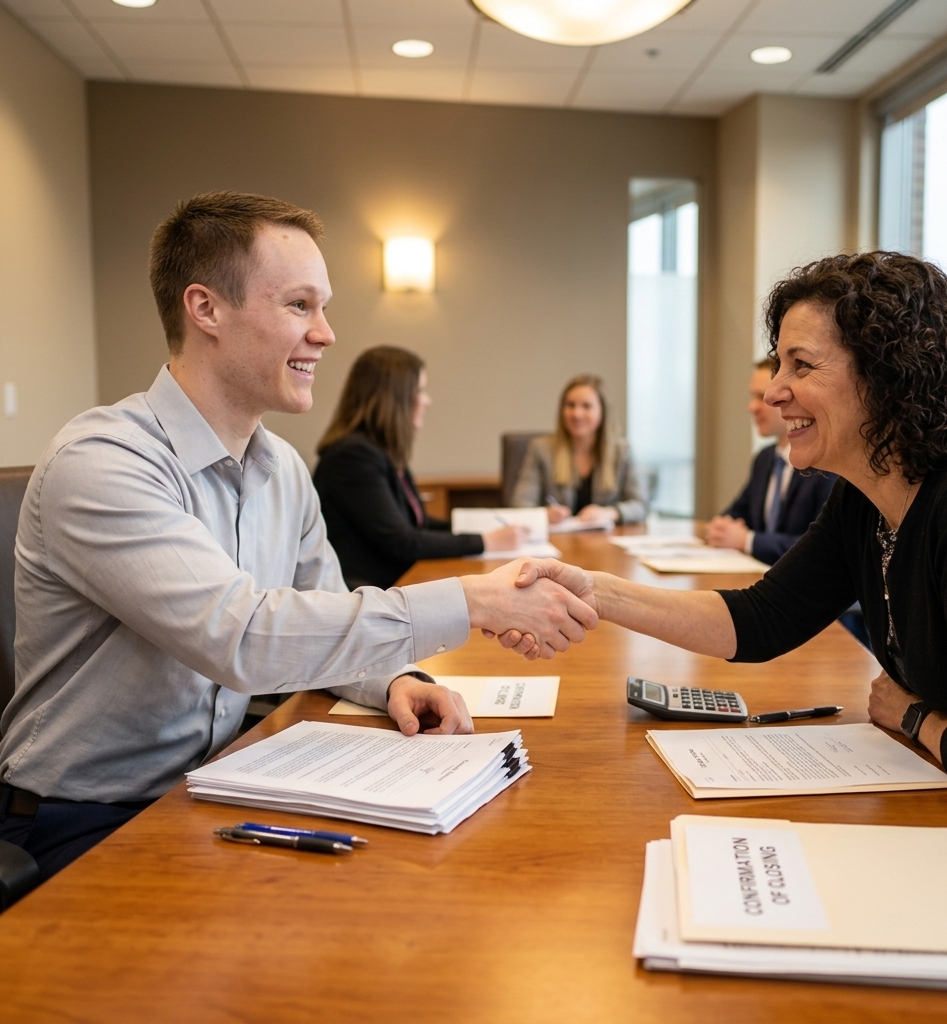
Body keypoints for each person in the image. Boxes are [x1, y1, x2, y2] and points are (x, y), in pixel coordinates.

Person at [0, 191, 596, 880]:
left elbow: (323, 612)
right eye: (299, 305)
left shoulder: (282, 467)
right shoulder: (103, 461)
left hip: (217, 785)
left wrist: (394, 679)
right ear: (205, 309)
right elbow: (242, 638)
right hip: (83, 818)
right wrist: (473, 601)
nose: (326, 334)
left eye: (323, 307)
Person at [507, 252, 947, 806]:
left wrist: (912, 716)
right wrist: (596, 592)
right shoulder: (864, 498)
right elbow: (762, 619)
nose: (775, 391)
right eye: (779, 365)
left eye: (800, 365)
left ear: (886, 373)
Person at [314, 347, 526, 590]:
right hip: (369, 592)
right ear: (395, 398)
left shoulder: (382, 451)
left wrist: (481, 528)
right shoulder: (352, 457)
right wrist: (484, 542)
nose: (427, 400)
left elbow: (419, 523)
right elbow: (402, 541)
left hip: (395, 583)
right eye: (421, 391)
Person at [705, 358, 835, 564]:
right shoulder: (765, 459)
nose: (752, 407)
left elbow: (823, 548)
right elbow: (737, 513)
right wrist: (720, 528)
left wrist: (748, 541)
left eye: (761, 396)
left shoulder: (826, 465)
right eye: (753, 397)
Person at [510, 374, 646, 525]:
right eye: (570, 405)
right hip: (558, 536)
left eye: (586, 406)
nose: (576, 414)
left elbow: (640, 506)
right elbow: (520, 503)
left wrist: (611, 513)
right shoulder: (541, 449)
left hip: (605, 537)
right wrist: (545, 514)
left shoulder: (622, 451)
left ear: (603, 411)